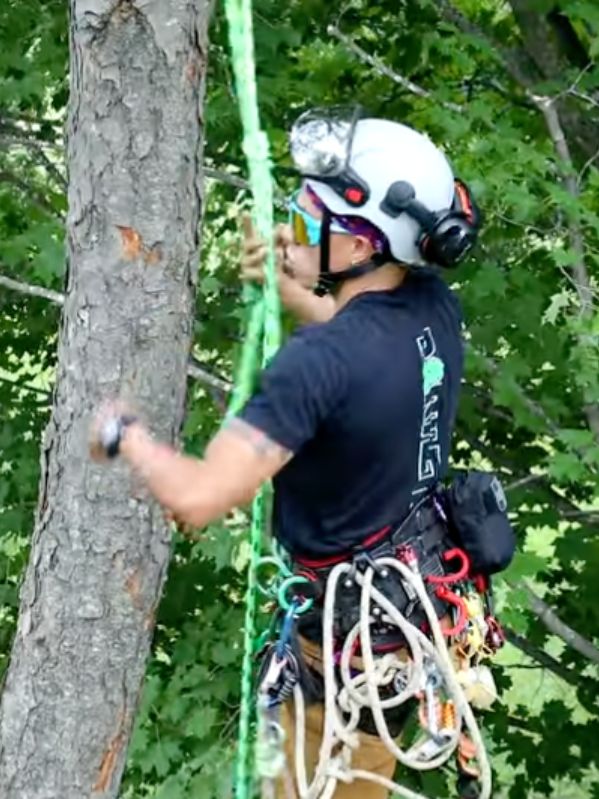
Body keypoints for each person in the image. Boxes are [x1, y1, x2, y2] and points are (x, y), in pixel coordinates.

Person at [91, 107, 480, 798]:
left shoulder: (315, 366)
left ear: (360, 246)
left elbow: (201, 496)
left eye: (308, 216)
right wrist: (292, 282)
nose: (290, 225)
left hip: (333, 662)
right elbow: (361, 344)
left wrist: (126, 433)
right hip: (402, 629)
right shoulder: (431, 308)